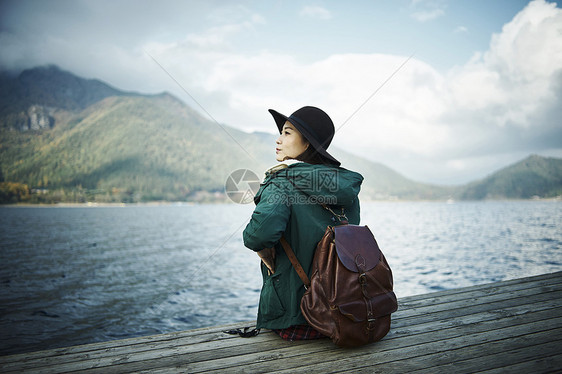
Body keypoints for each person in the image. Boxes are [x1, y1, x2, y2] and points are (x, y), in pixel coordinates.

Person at [243, 106, 364, 341]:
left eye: (287, 133)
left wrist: (263, 252)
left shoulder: (280, 183)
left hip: (295, 320)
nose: (278, 139)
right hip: (343, 314)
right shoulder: (344, 186)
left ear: (307, 143)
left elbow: (256, 236)